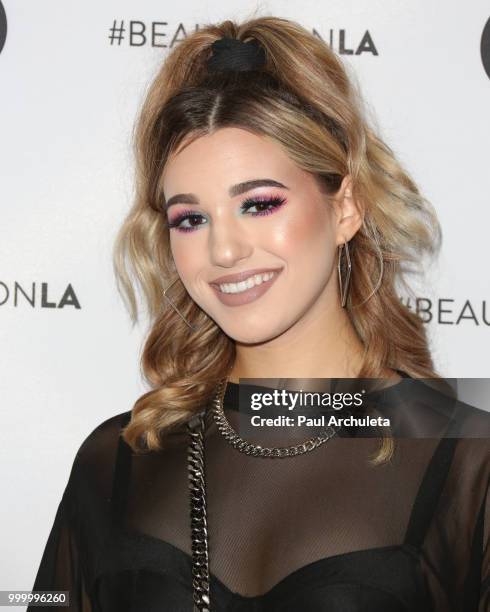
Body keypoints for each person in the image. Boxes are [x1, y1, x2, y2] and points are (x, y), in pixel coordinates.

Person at [28, 15, 489, 612]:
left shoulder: (468, 463)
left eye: (259, 203)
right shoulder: (116, 460)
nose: (223, 251)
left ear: (345, 207)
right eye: (191, 219)